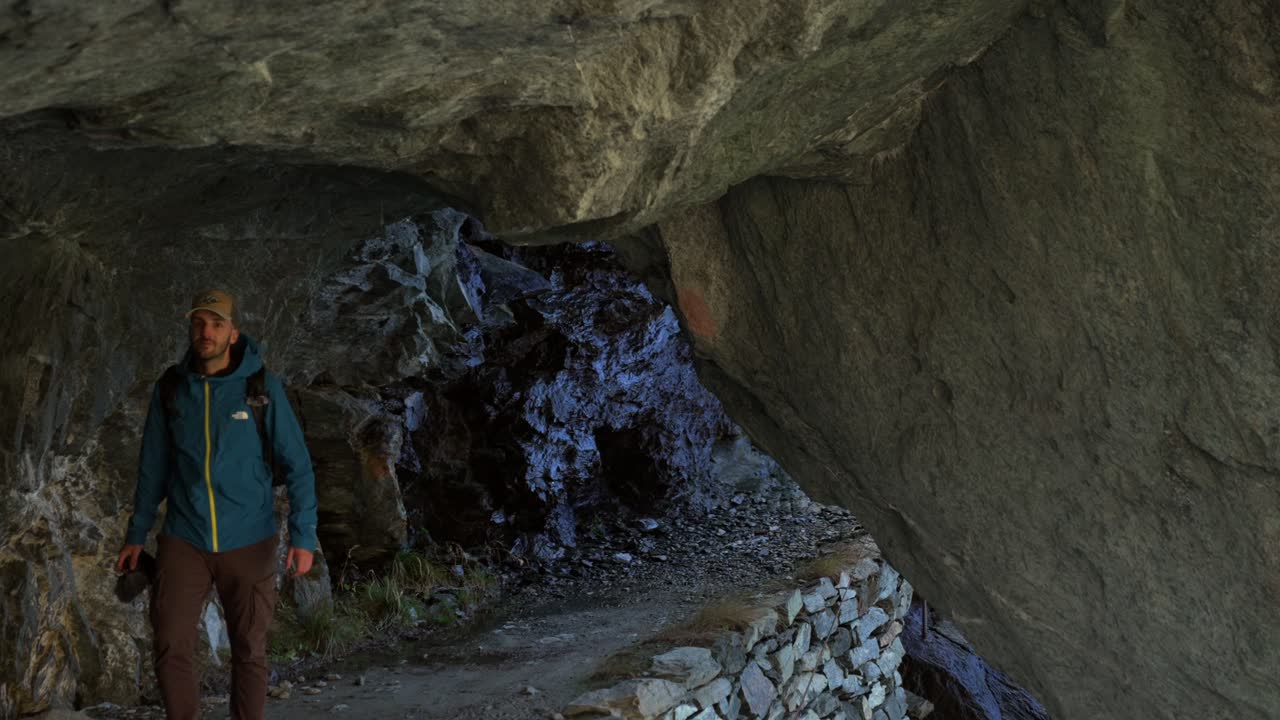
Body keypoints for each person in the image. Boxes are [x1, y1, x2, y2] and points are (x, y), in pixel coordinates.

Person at [116, 289, 318, 720]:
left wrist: (304, 537)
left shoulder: (259, 388)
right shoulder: (172, 388)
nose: (206, 332)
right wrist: (136, 534)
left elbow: (298, 465)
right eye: (199, 324)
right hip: (184, 537)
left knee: (249, 648)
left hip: (249, 537)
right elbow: (152, 467)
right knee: (170, 643)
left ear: (233, 333)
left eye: (216, 324)